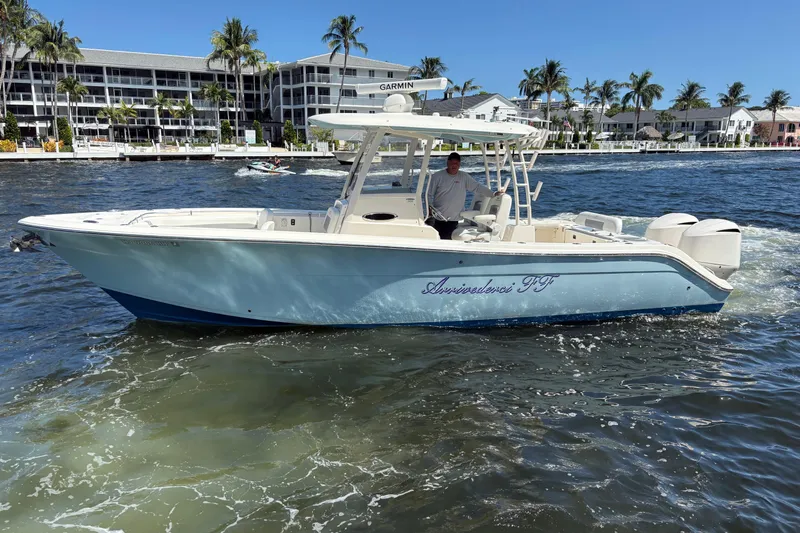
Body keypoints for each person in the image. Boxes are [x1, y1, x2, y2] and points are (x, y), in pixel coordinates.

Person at [426, 152, 506, 239]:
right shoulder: (437, 177)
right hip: (436, 218)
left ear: (459, 164)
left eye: (456, 163)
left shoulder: (464, 177)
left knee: (446, 241)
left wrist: (493, 194)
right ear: (447, 163)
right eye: (452, 163)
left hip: (453, 220)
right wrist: (429, 208)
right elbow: (428, 194)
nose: (454, 165)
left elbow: (477, 187)